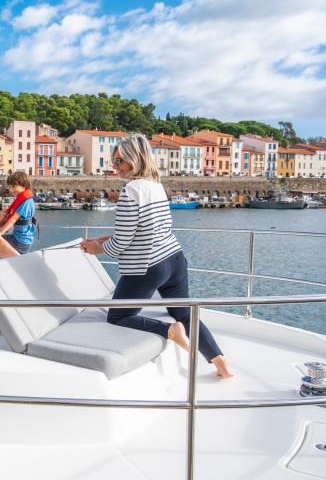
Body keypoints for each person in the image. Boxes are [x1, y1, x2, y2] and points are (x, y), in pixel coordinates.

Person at [80, 135, 234, 379]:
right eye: (114, 161)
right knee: (184, 313)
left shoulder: (130, 190)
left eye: (120, 161)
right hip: (174, 259)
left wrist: (96, 249)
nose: (115, 166)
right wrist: (103, 239)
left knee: (119, 316)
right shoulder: (156, 186)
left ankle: (170, 331)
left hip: (147, 266)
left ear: (135, 159)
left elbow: (121, 242)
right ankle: (221, 364)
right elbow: (147, 228)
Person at [0, 171, 36, 254]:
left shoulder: (26, 201)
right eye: (9, 187)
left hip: (20, 241)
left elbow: (13, 219)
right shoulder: (24, 200)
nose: (11, 190)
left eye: (14, 186)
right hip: (20, 239)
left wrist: (0, 232)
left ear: (24, 185)